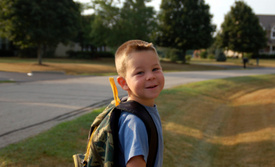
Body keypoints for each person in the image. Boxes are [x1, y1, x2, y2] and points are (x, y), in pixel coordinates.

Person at [115, 40, 165, 167]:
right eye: (139, 72)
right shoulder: (135, 122)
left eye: (155, 69)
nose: (150, 76)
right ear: (124, 83)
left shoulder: (146, 110)